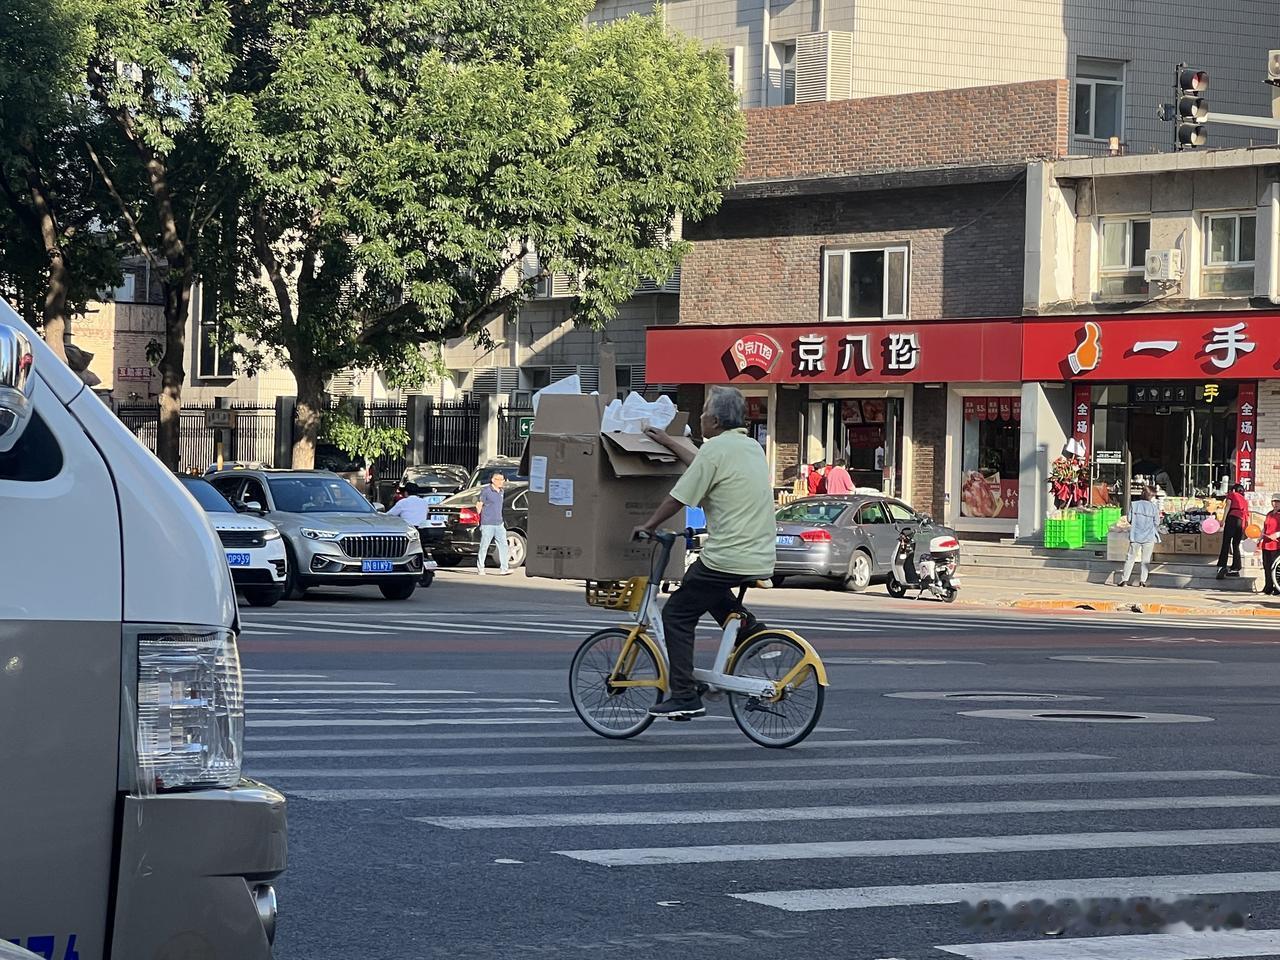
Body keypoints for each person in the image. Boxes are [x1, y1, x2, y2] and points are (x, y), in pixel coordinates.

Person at [635, 386, 776, 719]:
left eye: (703, 412)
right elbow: (704, 464)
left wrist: (649, 524)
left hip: (729, 554)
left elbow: (679, 497)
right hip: (760, 553)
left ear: (713, 419)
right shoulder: (751, 447)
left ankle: (684, 695)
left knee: (677, 615)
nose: (700, 417)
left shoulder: (716, 451)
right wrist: (670, 442)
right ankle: (747, 628)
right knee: (701, 583)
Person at [1116, 485, 1160, 588]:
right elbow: (1157, 522)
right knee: (1145, 560)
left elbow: (1129, 519)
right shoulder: (1154, 507)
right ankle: (1142, 581)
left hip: (1135, 535)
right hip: (1149, 536)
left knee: (1130, 558)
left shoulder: (1134, 505)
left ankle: (1124, 580)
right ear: (1151, 496)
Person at [475, 472, 509, 575]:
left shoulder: (501, 491)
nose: (501, 482)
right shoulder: (486, 491)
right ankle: (481, 568)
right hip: (487, 523)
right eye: (499, 480)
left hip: (499, 523)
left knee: (503, 545)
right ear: (493, 480)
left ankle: (504, 568)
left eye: (502, 480)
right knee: (484, 546)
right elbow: (479, 505)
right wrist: (480, 518)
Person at [1217, 482, 1249, 579]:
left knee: (1226, 542)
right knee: (1236, 545)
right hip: (1241, 521)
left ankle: (1222, 566)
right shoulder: (1244, 500)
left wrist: (1223, 520)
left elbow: (1228, 506)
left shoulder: (1232, 494)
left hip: (1232, 518)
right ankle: (1236, 567)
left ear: (1234, 490)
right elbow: (1247, 515)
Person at [1262, 494, 1280, 596]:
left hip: (1277, 545)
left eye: (1277, 502)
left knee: (1276, 568)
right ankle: (1268, 587)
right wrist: (1259, 538)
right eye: (1273, 501)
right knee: (1266, 566)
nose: (1275, 504)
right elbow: (1264, 528)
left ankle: (1277, 588)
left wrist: (1276, 535)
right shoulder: (1269, 514)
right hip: (1266, 544)